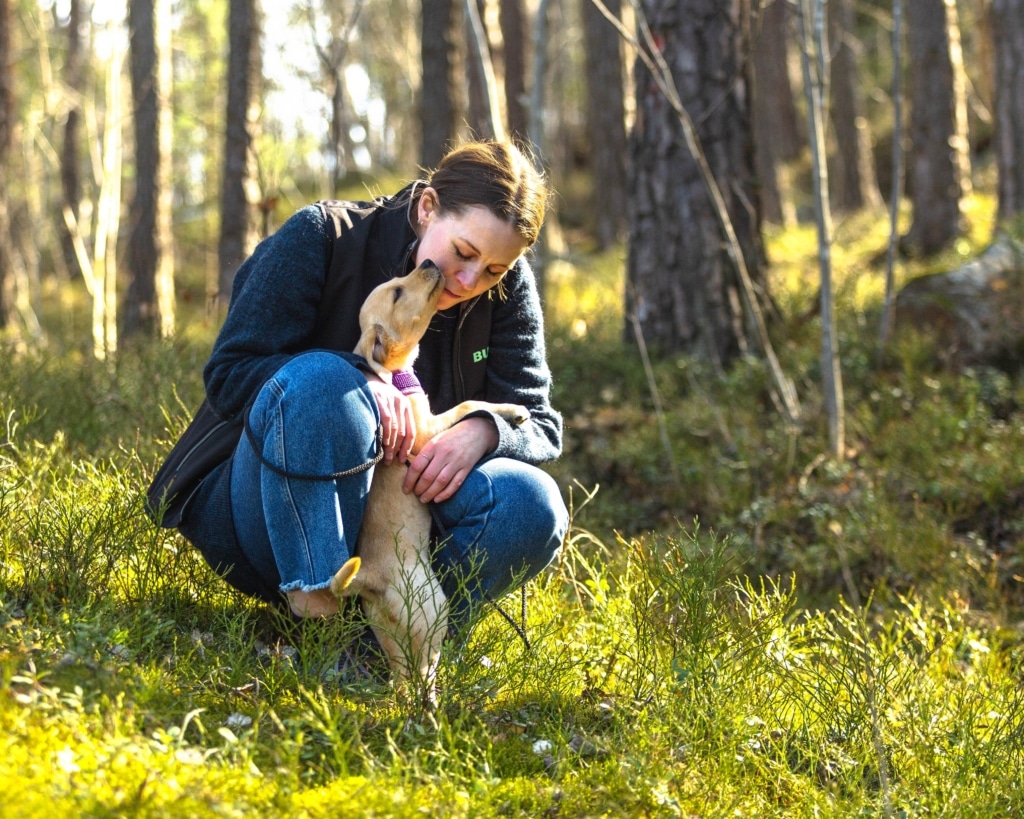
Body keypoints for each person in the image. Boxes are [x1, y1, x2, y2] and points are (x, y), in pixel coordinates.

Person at [168, 138, 568, 647]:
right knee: (321, 381)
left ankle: (380, 649)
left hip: (402, 526)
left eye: (495, 270)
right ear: (427, 208)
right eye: (463, 253)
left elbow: (538, 419)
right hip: (266, 515)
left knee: (533, 506)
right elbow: (229, 373)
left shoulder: (506, 289)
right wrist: (359, 383)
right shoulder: (322, 236)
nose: (470, 280)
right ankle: (314, 617)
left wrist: (482, 431)